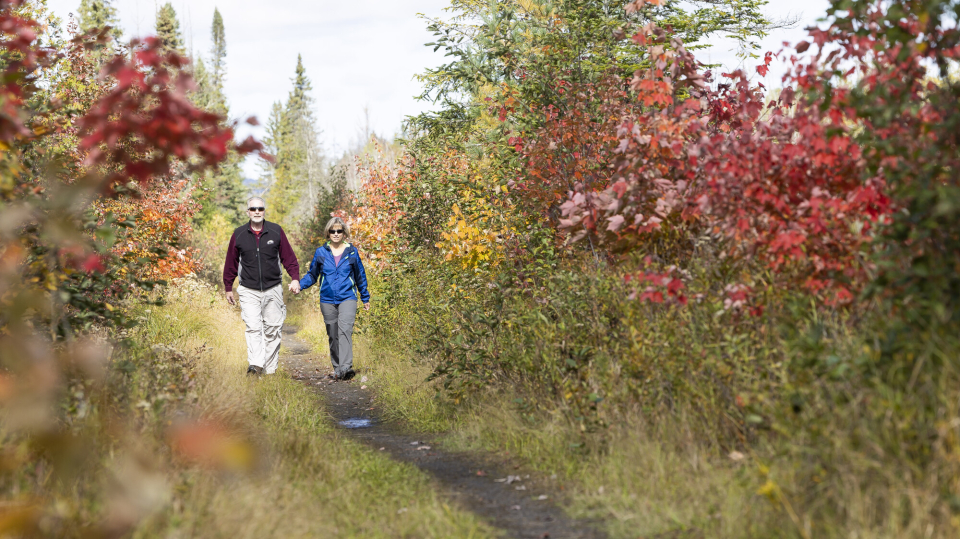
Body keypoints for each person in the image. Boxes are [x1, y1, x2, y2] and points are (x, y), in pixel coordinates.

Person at [223, 197, 300, 375]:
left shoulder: (276, 231)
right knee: (253, 327)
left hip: (273, 288)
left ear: (264, 211)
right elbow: (230, 263)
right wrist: (228, 287)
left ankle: (270, 369)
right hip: (248, 290)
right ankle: (256, 365)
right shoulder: (239, 234)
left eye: (260, 208)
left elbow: (289, 258)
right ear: (247, 212)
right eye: (253, 209)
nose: (257, 211)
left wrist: (295, 278)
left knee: (273, 329)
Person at [290, 217, 370, 381]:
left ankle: (346, 368)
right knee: (333, 334)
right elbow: (313, 275)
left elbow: (360, 276)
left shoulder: (352, 252)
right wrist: (300, 285)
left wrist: (365, 297)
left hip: (348, 297)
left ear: (344, 233)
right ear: (328, 232)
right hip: (327, 299)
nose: (335, 234)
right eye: (332, 231)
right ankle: (338, 369)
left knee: (345, 330)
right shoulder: (321, 252)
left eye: (339, 231)